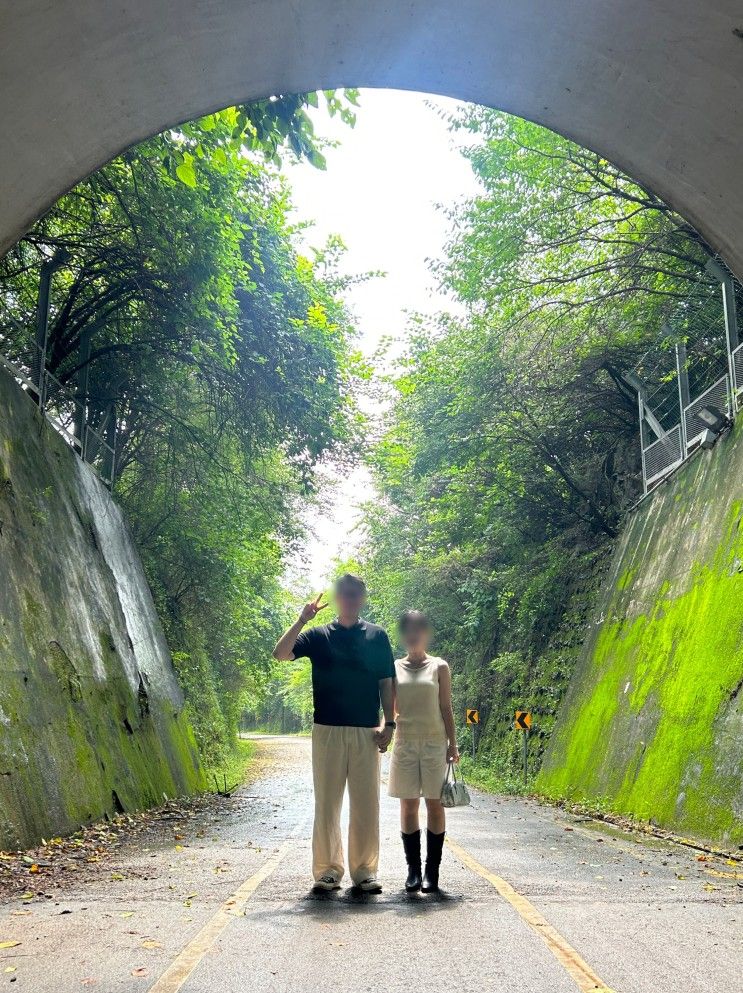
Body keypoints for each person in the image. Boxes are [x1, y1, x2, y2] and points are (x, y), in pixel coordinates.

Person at [272, 573, 396, 893]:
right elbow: (281, 653)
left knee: (366, 804)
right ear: (336, 598)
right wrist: (301, 619)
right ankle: (328, 869)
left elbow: (386, 683)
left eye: (356, 593)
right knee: (327, 804)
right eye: (345, 593)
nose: (350, 598)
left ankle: (365, 870)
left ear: (363, 598)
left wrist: (390, 723)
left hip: (366, 731)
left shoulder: (377, 636)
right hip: (326, 730)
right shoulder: (318, 636)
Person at [388, 610, 458, 893]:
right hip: (405, 741)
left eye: (419, 628)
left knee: (435, 804)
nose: (414, 633)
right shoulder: (393, 667)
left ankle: (432, 872)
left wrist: (453, 744)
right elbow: (390, 710)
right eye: (408, 629)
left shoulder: (439, 666)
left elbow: (446, 708)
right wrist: (384, 730)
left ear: (426, 632)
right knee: (408, 805)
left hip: (433, 742)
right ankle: (413, 871)